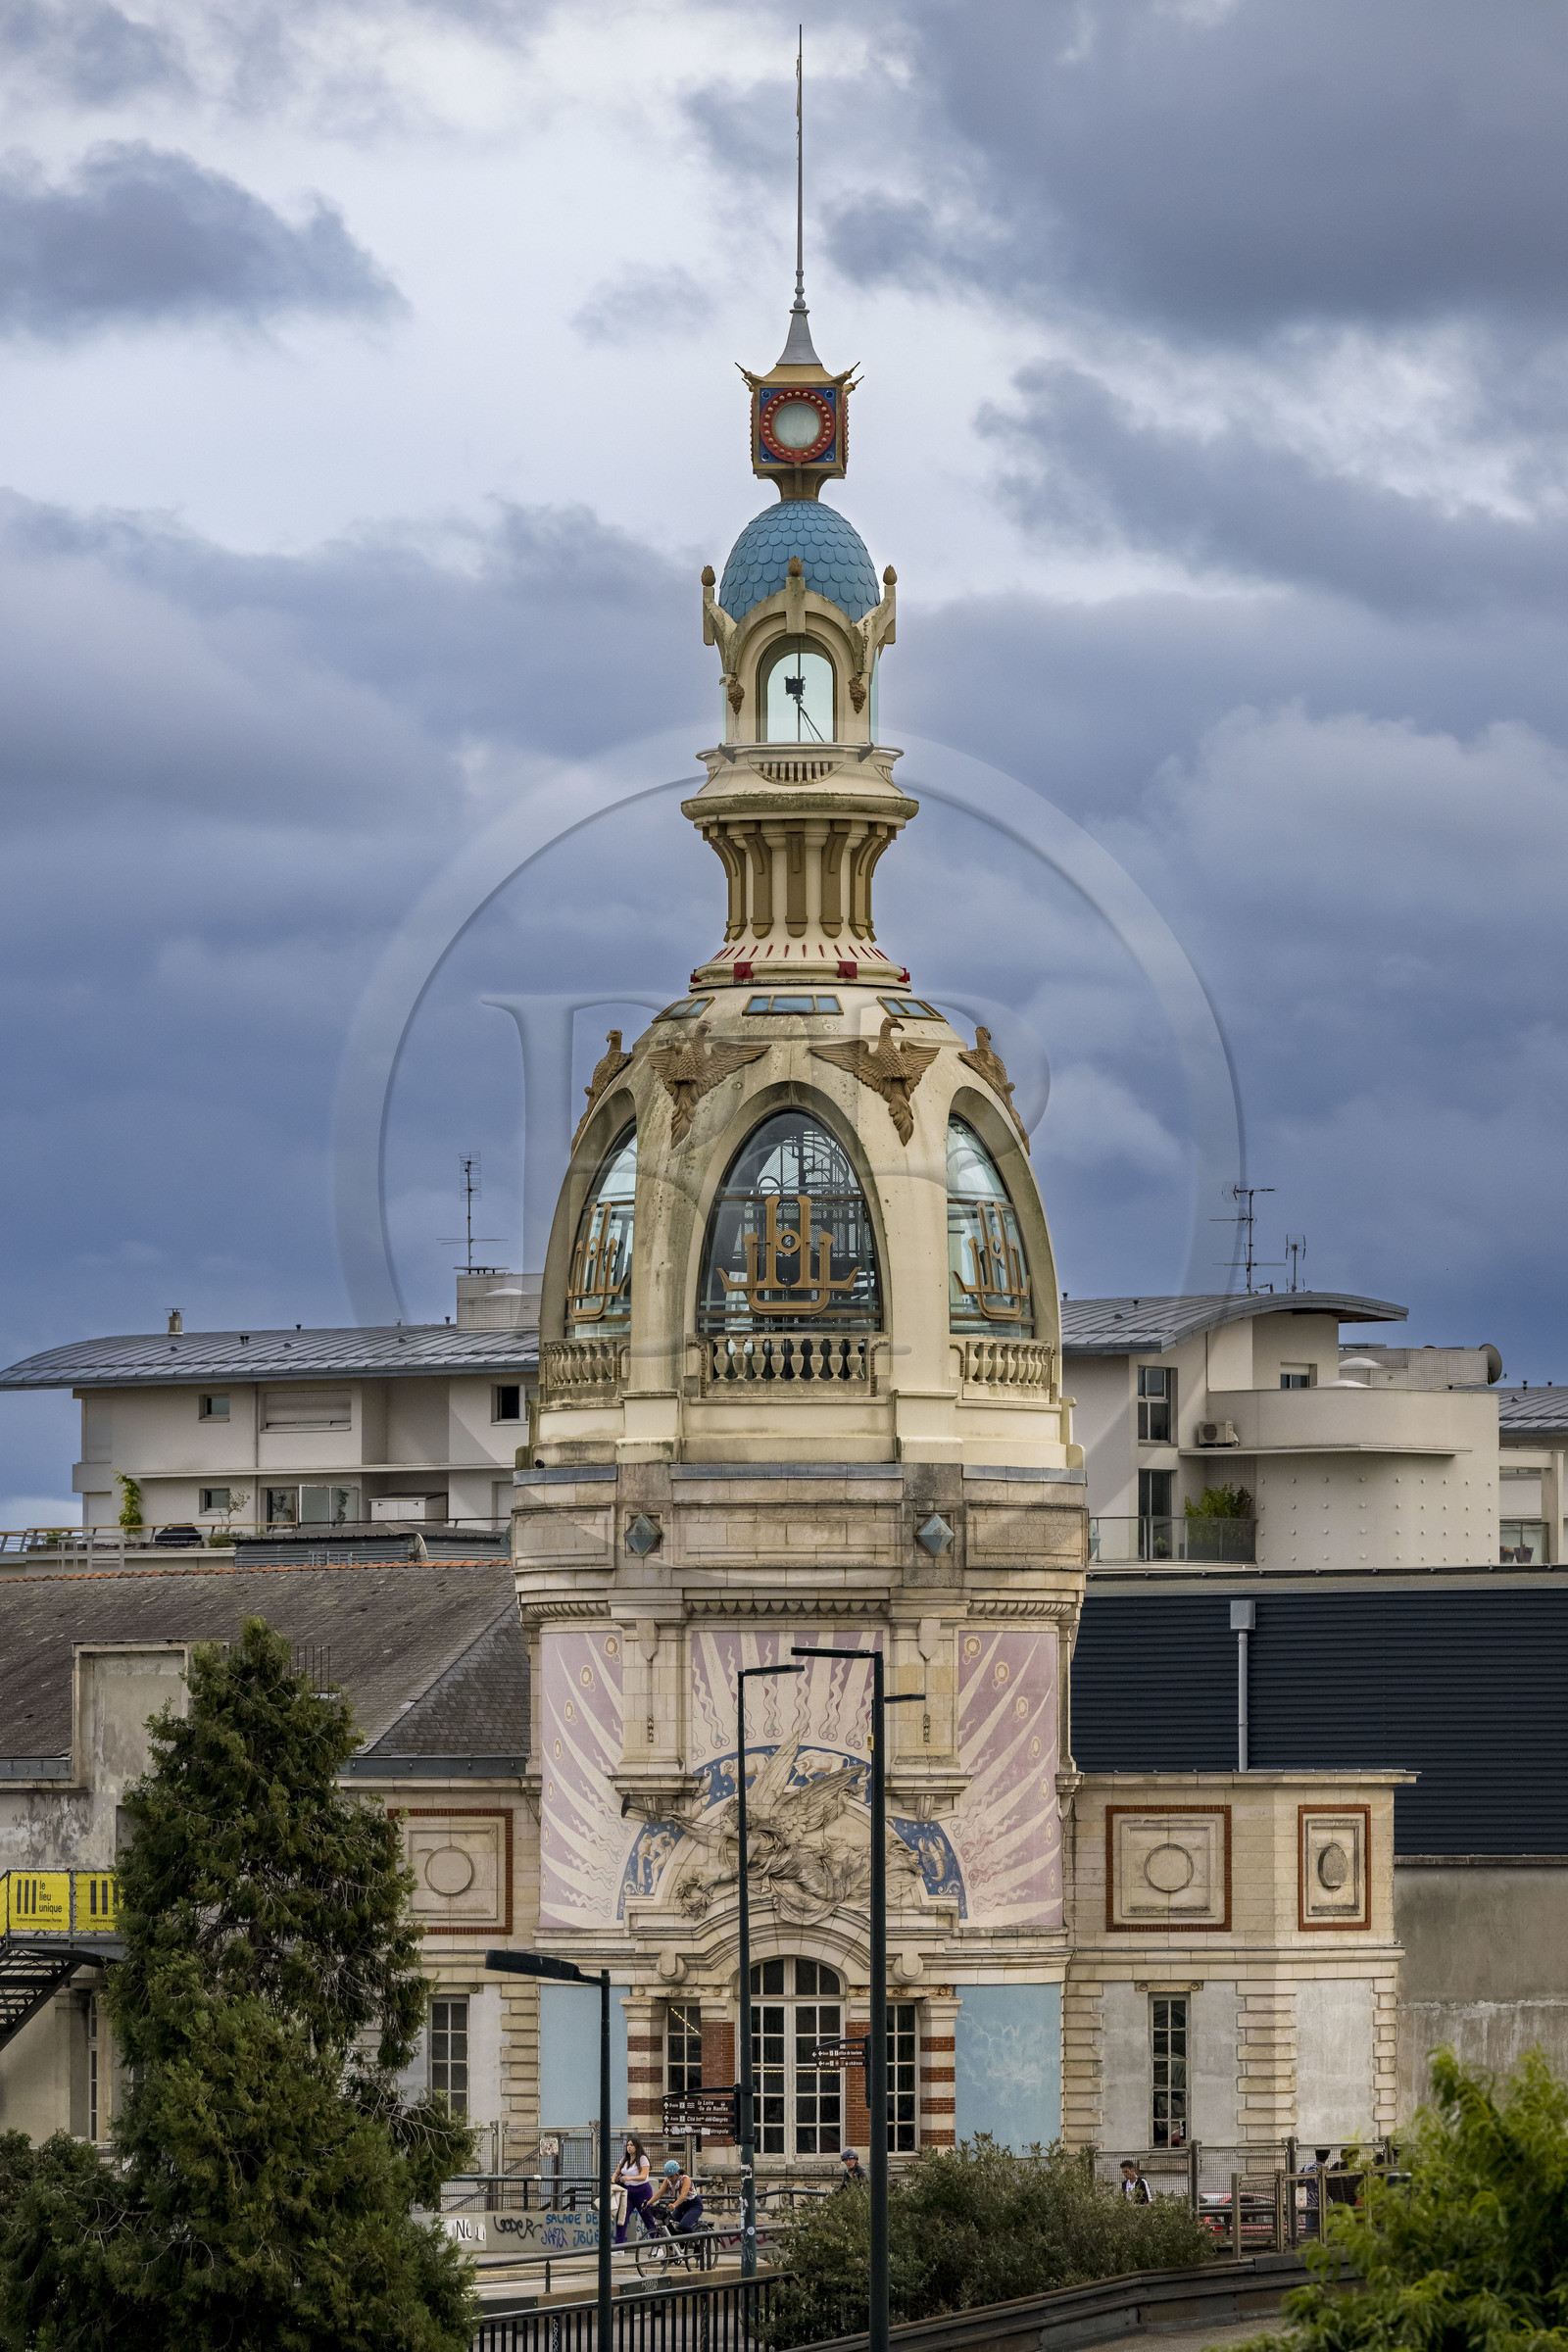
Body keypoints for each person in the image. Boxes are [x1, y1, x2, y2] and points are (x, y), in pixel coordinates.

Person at [649, 2157, 704, 2236]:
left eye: (671, 2176)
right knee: (669, 2225)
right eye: (668, 2176)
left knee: (684, 2226)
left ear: (677, 2173)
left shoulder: (685, 2179)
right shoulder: (667, 2181)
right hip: (681, 2205)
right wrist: (648, 2203)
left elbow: (683, 2196)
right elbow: (659, 2194)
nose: (669, 2179)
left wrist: (674, 2205)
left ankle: (696, 2241)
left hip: (693, 2205)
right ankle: (678, 2242)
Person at [613, 2135, 652, 2244]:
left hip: (642, 2191)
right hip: (628, 2191)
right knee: (622, 2217)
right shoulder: (624, 2159)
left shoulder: (642, 2159)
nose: (629, 2147)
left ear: (636, 2147)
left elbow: (643, 2176)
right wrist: (612, 2181)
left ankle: (657, 2245)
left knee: (647, 2218)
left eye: (631, 2145)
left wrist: (628, 2178)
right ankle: (619, 2246)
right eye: (628, 2145)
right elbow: (616, 2172)